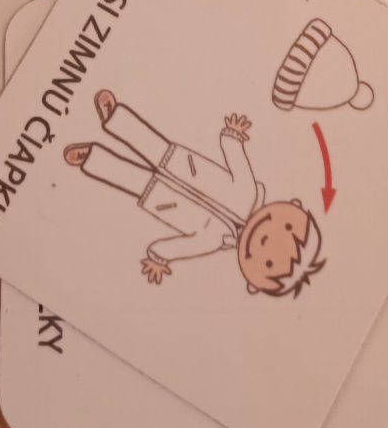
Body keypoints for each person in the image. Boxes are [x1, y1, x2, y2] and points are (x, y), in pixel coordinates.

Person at [64, 90, 325, 298]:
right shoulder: (247, 191)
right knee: (149, 142)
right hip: (182, 163)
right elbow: (236, 158)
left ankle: (92, 158)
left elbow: (178, 247)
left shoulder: (213, 240)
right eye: (288, 227)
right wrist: (233, 135)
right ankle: (115, 118)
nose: (267, 240)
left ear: (252, 285)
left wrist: (159, 258)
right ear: (294, 204)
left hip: (157, 198)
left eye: (268, 264)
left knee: (124, 176)